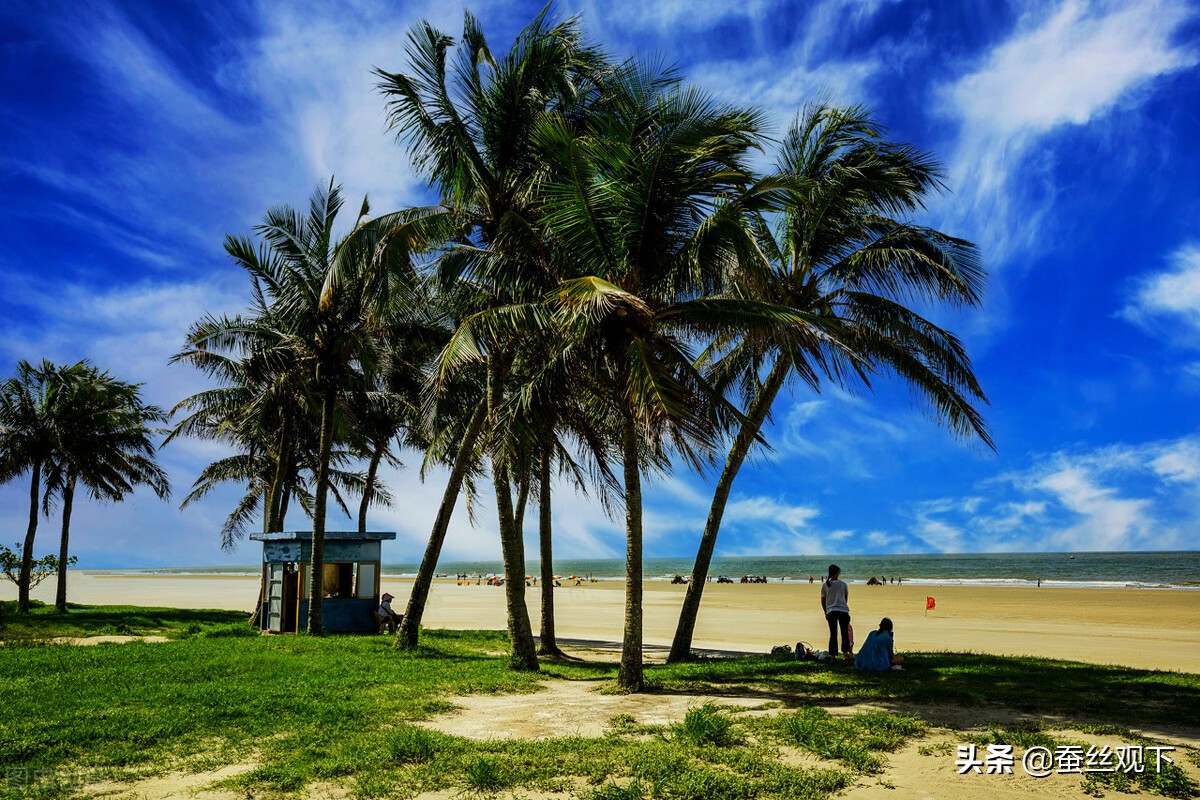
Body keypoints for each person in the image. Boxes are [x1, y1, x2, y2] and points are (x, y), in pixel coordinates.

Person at [820, 564, 852, 658]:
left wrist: (826, 612)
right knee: (844, 633)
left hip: (831, 611)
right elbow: (845, 599)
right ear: (837, 573)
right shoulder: (843, 584)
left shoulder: (825, 585)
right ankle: (845, 653)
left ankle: (833, 654)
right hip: (843, 610)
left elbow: (823, 601)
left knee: (833, 634)